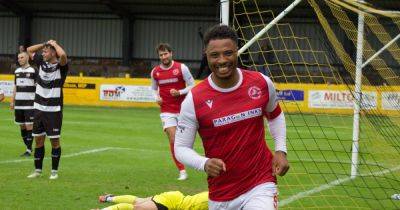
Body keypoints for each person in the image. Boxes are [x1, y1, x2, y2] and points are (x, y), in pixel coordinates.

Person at [174, 25, 290, 210]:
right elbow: (180, 147)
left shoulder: (260, 82)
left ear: (237, 51)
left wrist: (280, 150)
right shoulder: (194, 99)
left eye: (228, 53)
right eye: (215, 55)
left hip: (260, 182)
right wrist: (203, 163)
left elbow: (275, 115)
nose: (222, 60)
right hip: (222, 194)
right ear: (206, 55)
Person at [150, 43, 195, 181]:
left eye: (165, 54)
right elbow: (153, 88)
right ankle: (182, 170)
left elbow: (193, 85)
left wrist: (180, 92)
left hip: (184, 109)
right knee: (173, 138)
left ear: (171, 53)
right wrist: (156, 97)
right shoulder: (155, 72)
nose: (164, 57)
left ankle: (189, 157)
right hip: (166, 110)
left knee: (185, 141)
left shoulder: (181, 68)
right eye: (161, 55)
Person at [26, 40, 68, 180]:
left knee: (55, 142)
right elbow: (29, 50)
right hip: (38, 109)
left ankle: (54, 172)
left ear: (53, 53)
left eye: (45, 51)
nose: (42, 53)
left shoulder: (60, 67)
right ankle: (38, 171)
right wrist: (44, 43)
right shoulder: (41, 63)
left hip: (53, 110)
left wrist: (54, 45)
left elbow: (63, 56)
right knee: (38, 140)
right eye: (43, 51)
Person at [10, 52, 37, 157]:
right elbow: (15, 86)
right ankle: (28, 146)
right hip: (19, 104)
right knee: (21, 126)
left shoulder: (34, 70)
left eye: (22, 57)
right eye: (18, 58)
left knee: (29, 125)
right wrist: (12, 101)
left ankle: (28, 150)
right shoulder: (17, 71)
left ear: (27, 58)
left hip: (30, 104)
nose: (19, 59)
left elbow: (37, 87)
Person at [94, 191, 208, 210]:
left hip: (175, 197)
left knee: (138, 202)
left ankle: (109, 198)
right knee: (136, 208)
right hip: (172, 203)